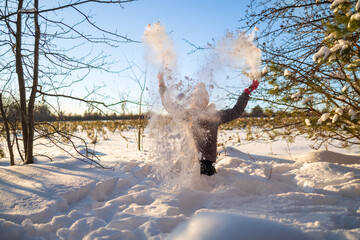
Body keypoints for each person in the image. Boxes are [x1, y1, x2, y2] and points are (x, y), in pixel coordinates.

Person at [158, 71, 259, 176]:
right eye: (195, 98)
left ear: (206, 101)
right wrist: (161, 84)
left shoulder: (214, 116)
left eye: (201, 98)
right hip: (186, 158)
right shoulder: (187, 114)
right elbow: (168, 104)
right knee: (172, 175)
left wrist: (246, 93)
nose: (198, 101)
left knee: (203, 177)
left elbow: (236, 111)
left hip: (205, 161)